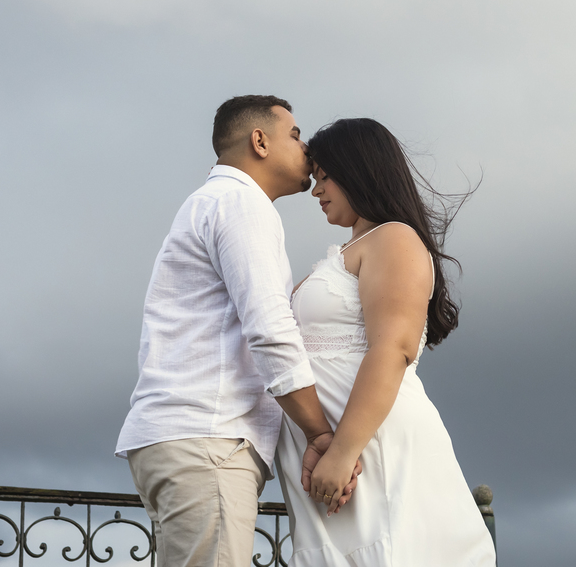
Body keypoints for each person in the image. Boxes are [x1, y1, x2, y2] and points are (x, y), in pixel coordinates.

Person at [116, 95, 358, 567]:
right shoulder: (242, 204)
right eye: (294, 135)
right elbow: (270, 329)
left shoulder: (210, 202)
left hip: (179, 439)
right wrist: (320, 435)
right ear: (259, 141)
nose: (306, 149)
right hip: (208, 440)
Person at [276, 118, 496, 566]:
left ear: (360, 169)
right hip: (335, 460)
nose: (316, 190)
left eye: (325, 176)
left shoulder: (393, 238)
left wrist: (342, 451)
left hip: (369, 451)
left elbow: (393, 348)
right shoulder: (345, 251)